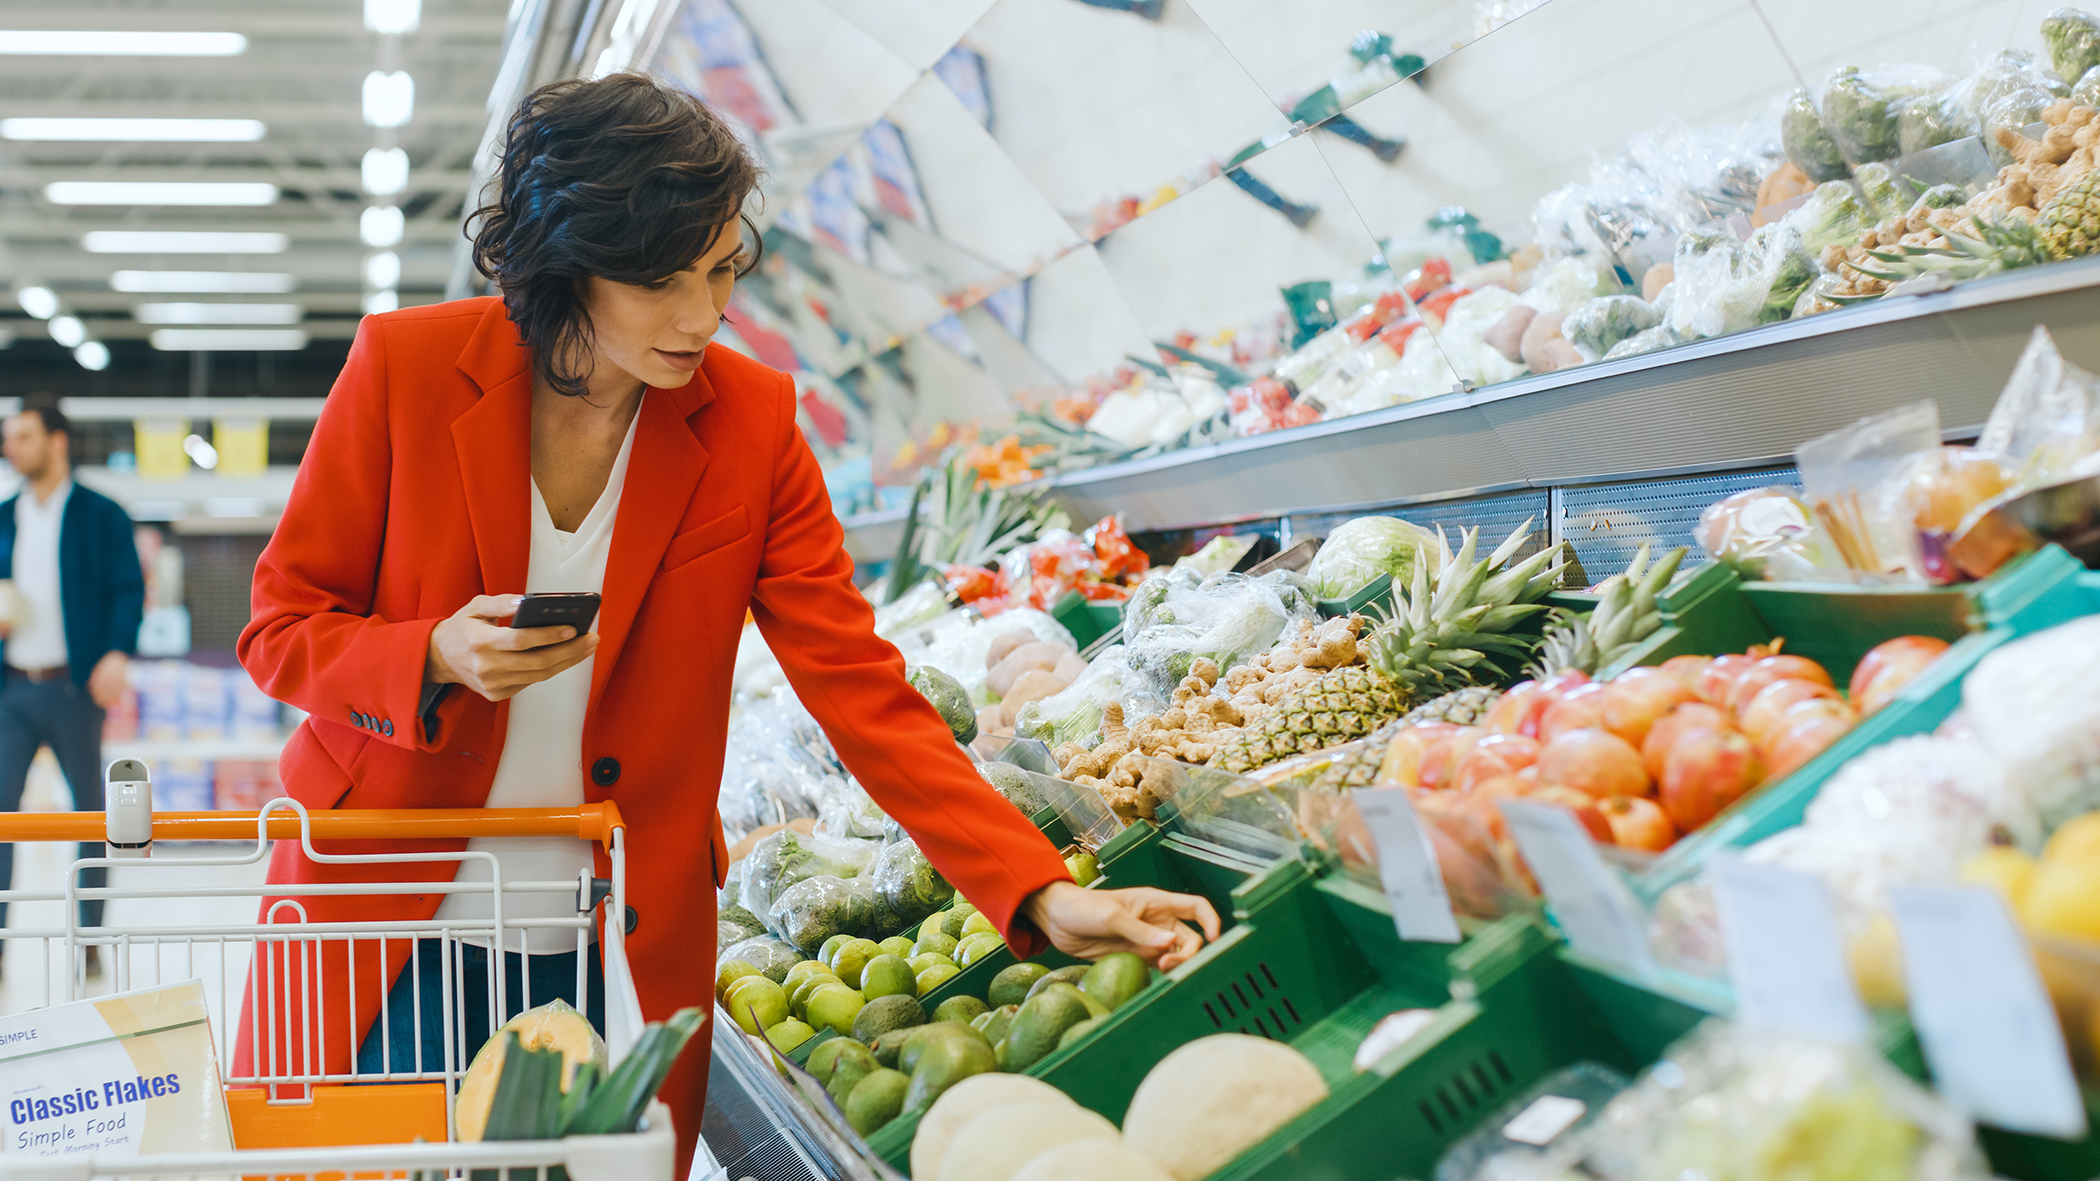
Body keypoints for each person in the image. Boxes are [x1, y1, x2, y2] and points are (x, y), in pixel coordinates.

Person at [233, 73, 1218, 1169]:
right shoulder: (405, 372)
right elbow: (281, 624)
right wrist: (429, 650)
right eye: (660, 280)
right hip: (388, 915)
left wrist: (1031, 882)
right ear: (567, 264)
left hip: (606, 938)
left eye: (720, 271)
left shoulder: (751, 424)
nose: (701, 316)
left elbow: (857, 685)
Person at [0, 401, 145, 976]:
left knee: (89, 817)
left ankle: (87, 941)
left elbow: (128, 590)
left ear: (56, 440)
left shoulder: (100, 516)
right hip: (10, 689)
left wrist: (117, 653)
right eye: (9, 438)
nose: (11, 447)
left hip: (74, 688)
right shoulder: (5, 515)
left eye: (23, 436)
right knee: (1, 822)